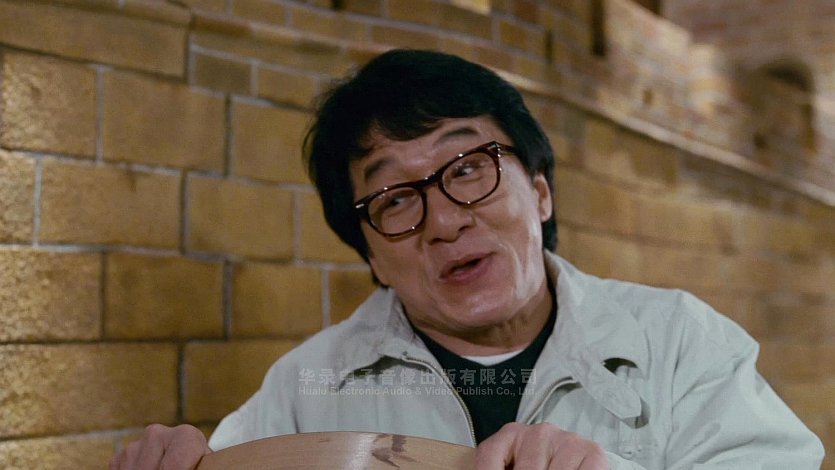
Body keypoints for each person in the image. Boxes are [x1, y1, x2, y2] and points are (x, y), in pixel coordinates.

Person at [110, 49, 824, 469]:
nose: (446, 221)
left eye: (467, 168)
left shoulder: (680, 343)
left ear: (538, 191)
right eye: (394, 199)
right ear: (372, 257)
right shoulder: (306, 389)